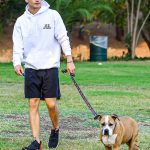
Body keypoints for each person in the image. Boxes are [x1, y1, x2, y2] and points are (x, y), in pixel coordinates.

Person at [12, 0, 75, 149]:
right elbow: (17, 43)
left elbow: (63, 38)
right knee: (33, 103)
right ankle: (36, 141)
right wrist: (17, 62)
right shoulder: (21, 21)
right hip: (31, 68)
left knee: (51, 104)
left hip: (50, 67)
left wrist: (69, 59)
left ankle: (55, 128)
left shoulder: (53, 15)